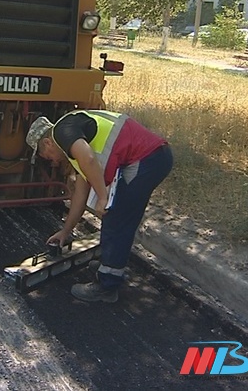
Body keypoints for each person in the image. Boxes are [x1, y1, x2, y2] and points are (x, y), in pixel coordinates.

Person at [26, 110, 173, 303]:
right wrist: (66, 231)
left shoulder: (63, 131)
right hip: (149, 158)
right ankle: (111, 266)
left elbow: (88, 158)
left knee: (116, 218)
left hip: (148, 158)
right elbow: (80, 194)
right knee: (118, 216)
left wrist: (103, 197)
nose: (51, 162)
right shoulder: (75, 145)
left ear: (47, 143)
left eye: (46, 156)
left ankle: (107, 286)